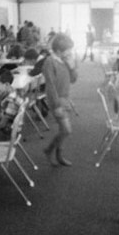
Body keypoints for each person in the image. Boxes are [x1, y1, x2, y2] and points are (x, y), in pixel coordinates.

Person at [42, 33, 77, 167]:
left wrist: (72, 66)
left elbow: (74, 79)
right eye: (67, 50)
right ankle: (49, 150)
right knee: (66, 130)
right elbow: (50, 86)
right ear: (58, 51)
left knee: (64, 130)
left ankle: (58, 154)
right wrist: (56, 106)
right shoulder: (50, 62)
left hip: (65, 99)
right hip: (56, 100)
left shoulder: (66, 60)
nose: (70, 52)